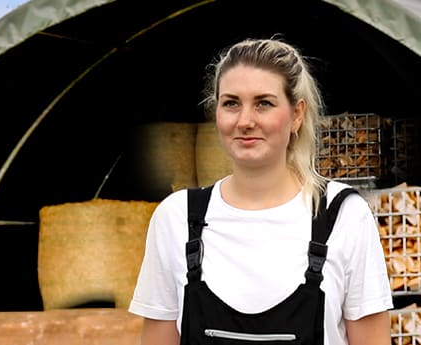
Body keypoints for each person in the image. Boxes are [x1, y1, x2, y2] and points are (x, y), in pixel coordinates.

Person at [128, 38, 393, 345]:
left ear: (296, 114)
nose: (245, 121)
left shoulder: (340, 215)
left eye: (263, 103)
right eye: (231, 103)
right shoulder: (176, 219)